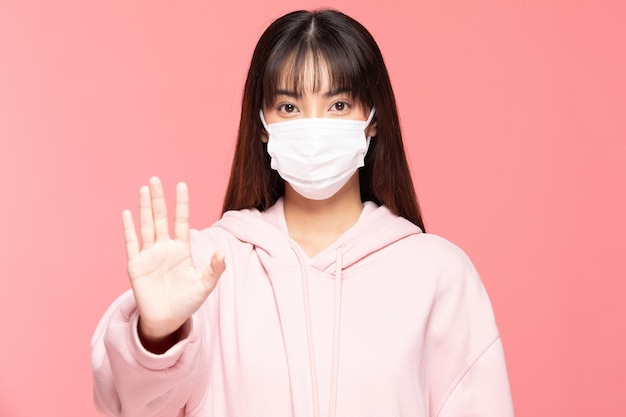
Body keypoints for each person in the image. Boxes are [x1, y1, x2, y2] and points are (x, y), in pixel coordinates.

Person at [91, 9, 514, 417]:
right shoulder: (207, 269)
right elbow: (125, 403)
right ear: (261, 122)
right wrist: (155, 337)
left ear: (372, 118)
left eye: (338, 105)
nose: (314, 126)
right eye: (290, 108)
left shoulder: (438, 272)